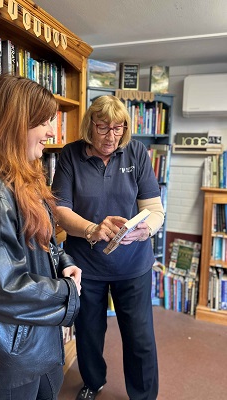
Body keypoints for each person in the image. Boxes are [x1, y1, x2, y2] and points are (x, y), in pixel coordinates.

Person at [0, 74, 82, 400]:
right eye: (44, 122)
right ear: (14, 124)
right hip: (12, 351)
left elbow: (41, 241)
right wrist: (68, 292)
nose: (52, 132)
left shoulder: (22, 177)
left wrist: (63, 262)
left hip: (32, 341)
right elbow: (1, 289)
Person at [51, 95, 165, 400]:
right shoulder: (70, 155)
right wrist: (93, 228)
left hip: (133, 264)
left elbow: (155, 208)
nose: (111, 136)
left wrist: (145, 229)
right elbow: (60, 210)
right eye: (103, 128)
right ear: (90, 125)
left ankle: (143, 394)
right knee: (88, 333)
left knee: (139, 336)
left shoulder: (137, 152)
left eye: (118, 128)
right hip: (86, 265)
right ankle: (93, 381)